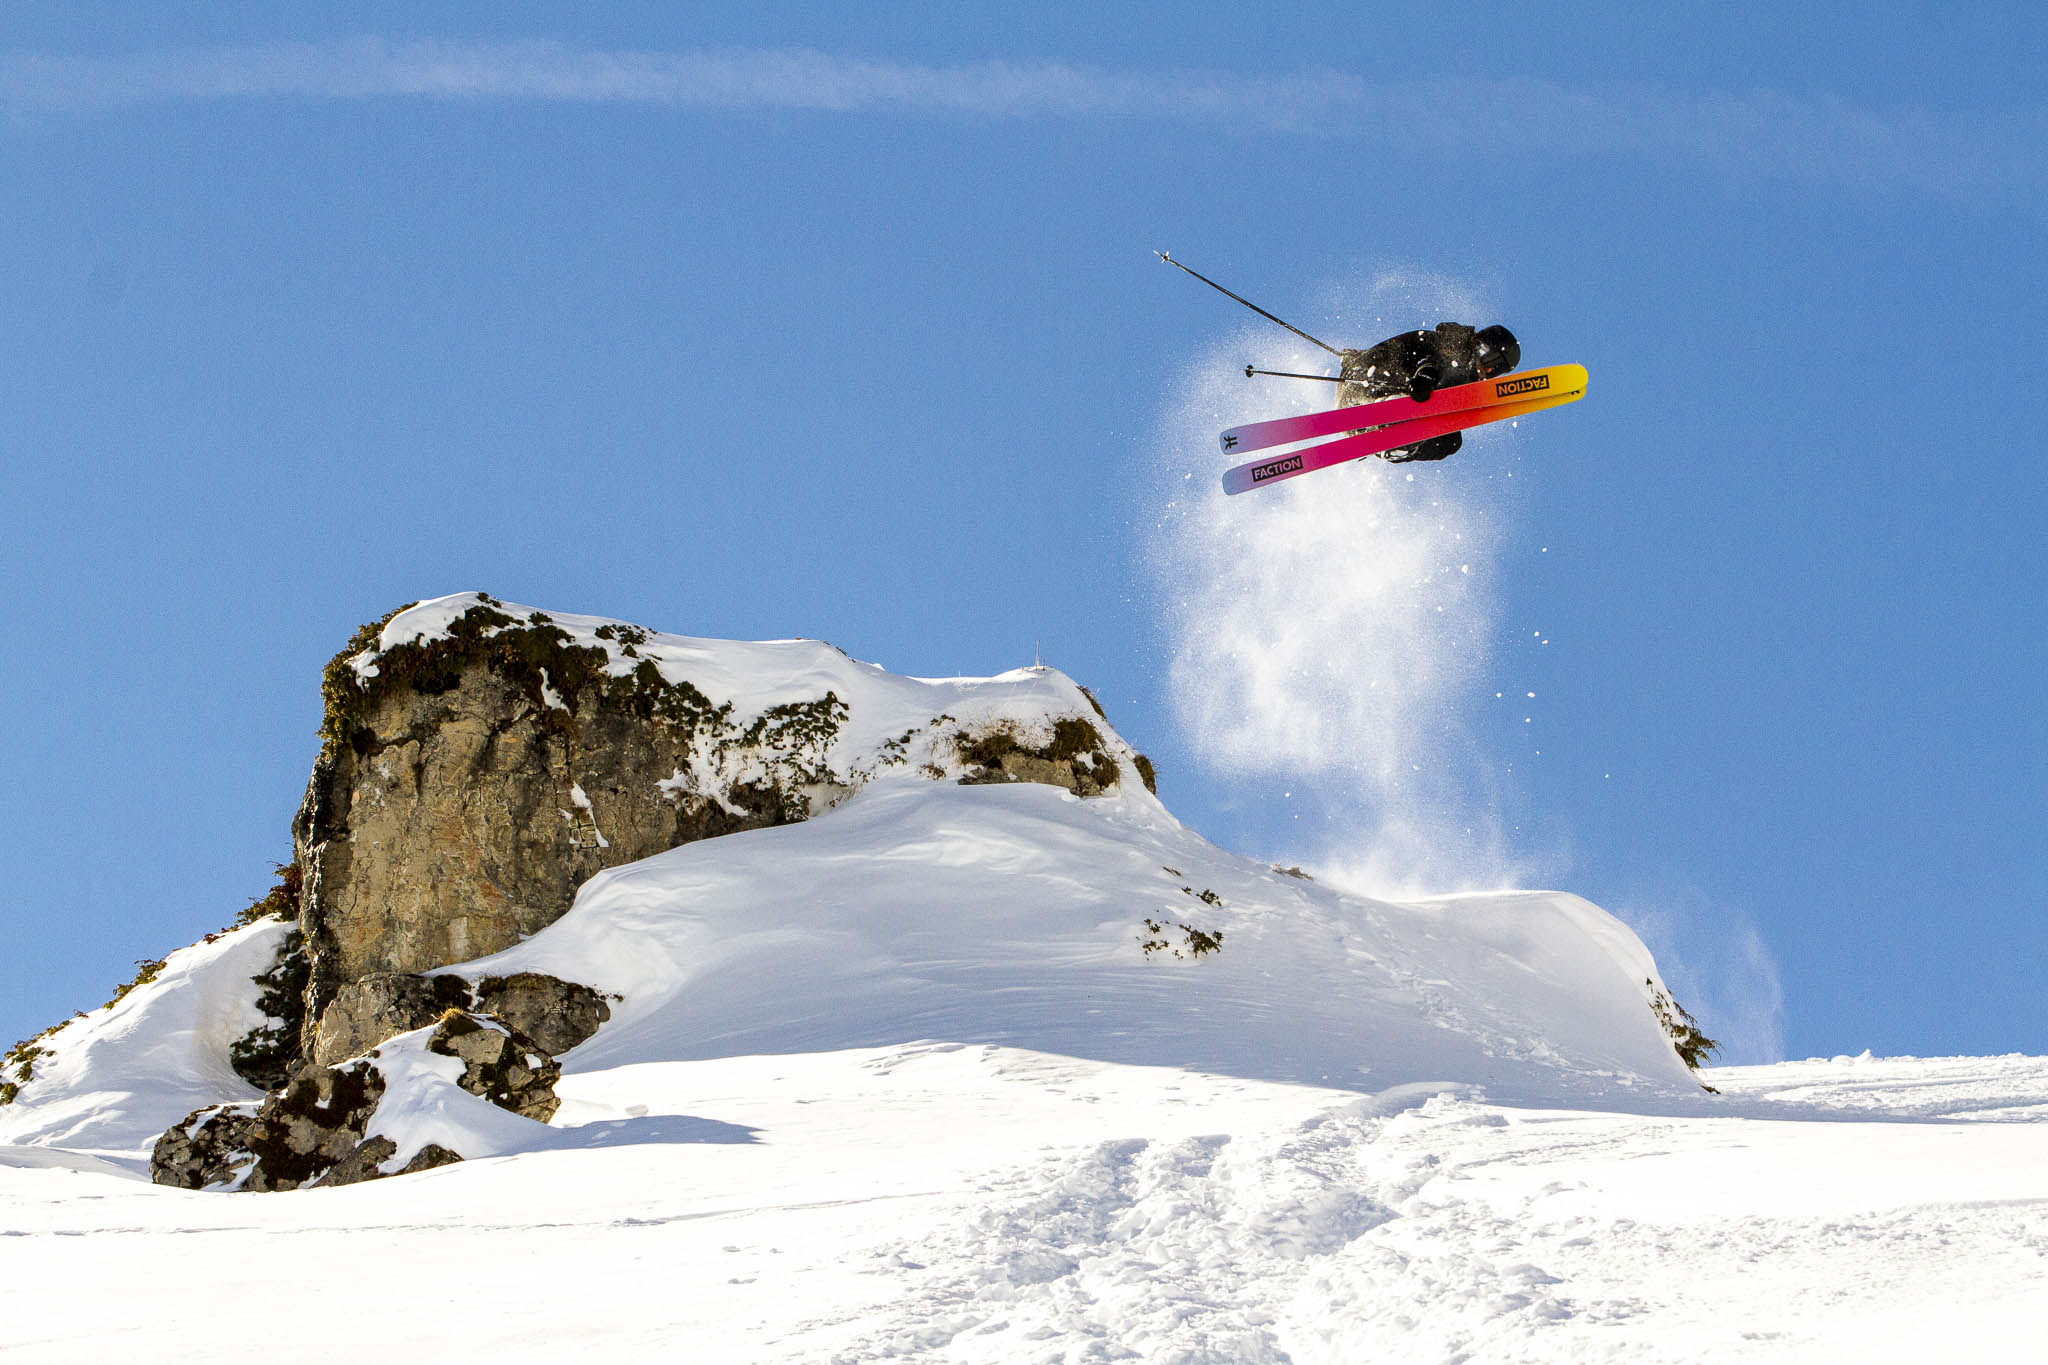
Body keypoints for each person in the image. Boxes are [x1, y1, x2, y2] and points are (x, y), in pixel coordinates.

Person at [1337, 323, 1520, 462]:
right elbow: (1435, 359)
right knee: (1437, 405)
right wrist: (1425, 376)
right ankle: (1389, 420)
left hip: (1359, 415)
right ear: (1480, 344)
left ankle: (1395, 443)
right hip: (1366, 382)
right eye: (1491, 359)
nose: (1488, 370)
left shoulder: (1460, 386)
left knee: (1451, 441)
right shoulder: (1456, 342)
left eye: (1496, 370)